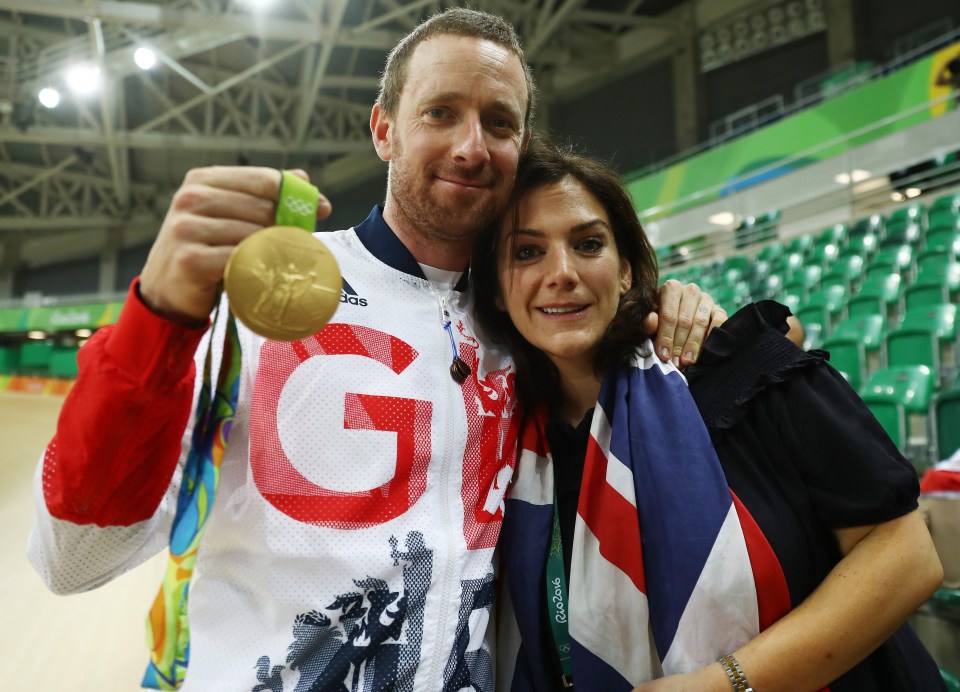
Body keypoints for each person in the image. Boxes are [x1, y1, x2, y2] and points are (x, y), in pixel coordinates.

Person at [26, 9, 724, 692]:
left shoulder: (530, 322)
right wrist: (160, 317)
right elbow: (76, 559)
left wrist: (683, 310)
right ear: (383, 130)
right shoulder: (261, 293)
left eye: (499, 122)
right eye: (441, 113)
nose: (471, 147)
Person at [470, 137, 945, 691]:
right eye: (527, 252)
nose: (562, 272)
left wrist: (727, 684)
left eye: (588, 244)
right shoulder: (504, 446)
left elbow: (908, 555)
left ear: (625, 270)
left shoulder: (738, 363)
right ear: (498, 291)